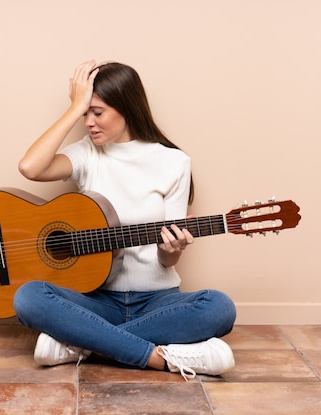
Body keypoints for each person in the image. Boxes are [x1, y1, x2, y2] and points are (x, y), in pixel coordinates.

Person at [13, 60, 236, 380]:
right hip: (96, 300)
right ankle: (162, 359)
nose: (89, 122)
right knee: (28, 297)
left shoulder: (173, 162)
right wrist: (75, 106)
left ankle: (82, 344)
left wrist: (172, 250)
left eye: (97, 112)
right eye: (84, 113)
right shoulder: (87, 154)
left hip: (157, 301)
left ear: (127, 108)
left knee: (219, 307)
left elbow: (165, 257)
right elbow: (31, 168)